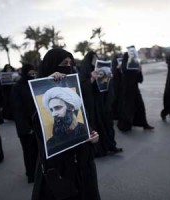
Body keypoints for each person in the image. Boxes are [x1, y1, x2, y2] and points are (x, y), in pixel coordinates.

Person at [31, 48, 101, 200]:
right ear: (51, 66)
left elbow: (86, 121)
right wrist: (47, 83)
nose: (68, 66)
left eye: (70, 63)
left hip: (83, 165)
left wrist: (93, 136)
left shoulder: (74, 90)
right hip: (58, 169)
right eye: (64, 63)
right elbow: (37, 125)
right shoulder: (36, 95)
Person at [79, 51, 123, 157]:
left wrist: (109, 77)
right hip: (92, 106)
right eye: (93, 58)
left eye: (96, 58)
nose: (95, 60)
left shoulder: (99, 68)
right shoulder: (84, 71)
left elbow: (105, 86)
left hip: (102, 102)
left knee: (108, 124)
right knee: (97, 126)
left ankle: (111, 146)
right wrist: (92, 79)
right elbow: (82, 88)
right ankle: (99, 150)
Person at [11, 63, 38, 183]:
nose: (32, 75)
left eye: (34, 73)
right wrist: (27, 128)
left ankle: (40, 172)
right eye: (30, 74)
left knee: (38, 151)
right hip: (26, 128)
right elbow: (17, 110)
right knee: (28, 152)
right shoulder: (17, 87)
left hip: (36, 125)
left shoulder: (36, 84)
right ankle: (31, 174)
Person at [42, 86, 89, 156]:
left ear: (71, 107)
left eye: (57, 108)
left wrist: (94, 139)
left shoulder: (85, 130)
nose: (53, 114)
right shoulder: (50, 143)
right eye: (51, 110)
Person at [117, 52, 154, 132]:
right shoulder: (123, 66)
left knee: (140, 107)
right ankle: (125, 126)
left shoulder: (134, 67)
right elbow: (124, 73)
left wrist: (139, 70)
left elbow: (140, 80)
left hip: (135, 90)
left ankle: (144, 124)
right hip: (127, 91)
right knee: (127, 109)